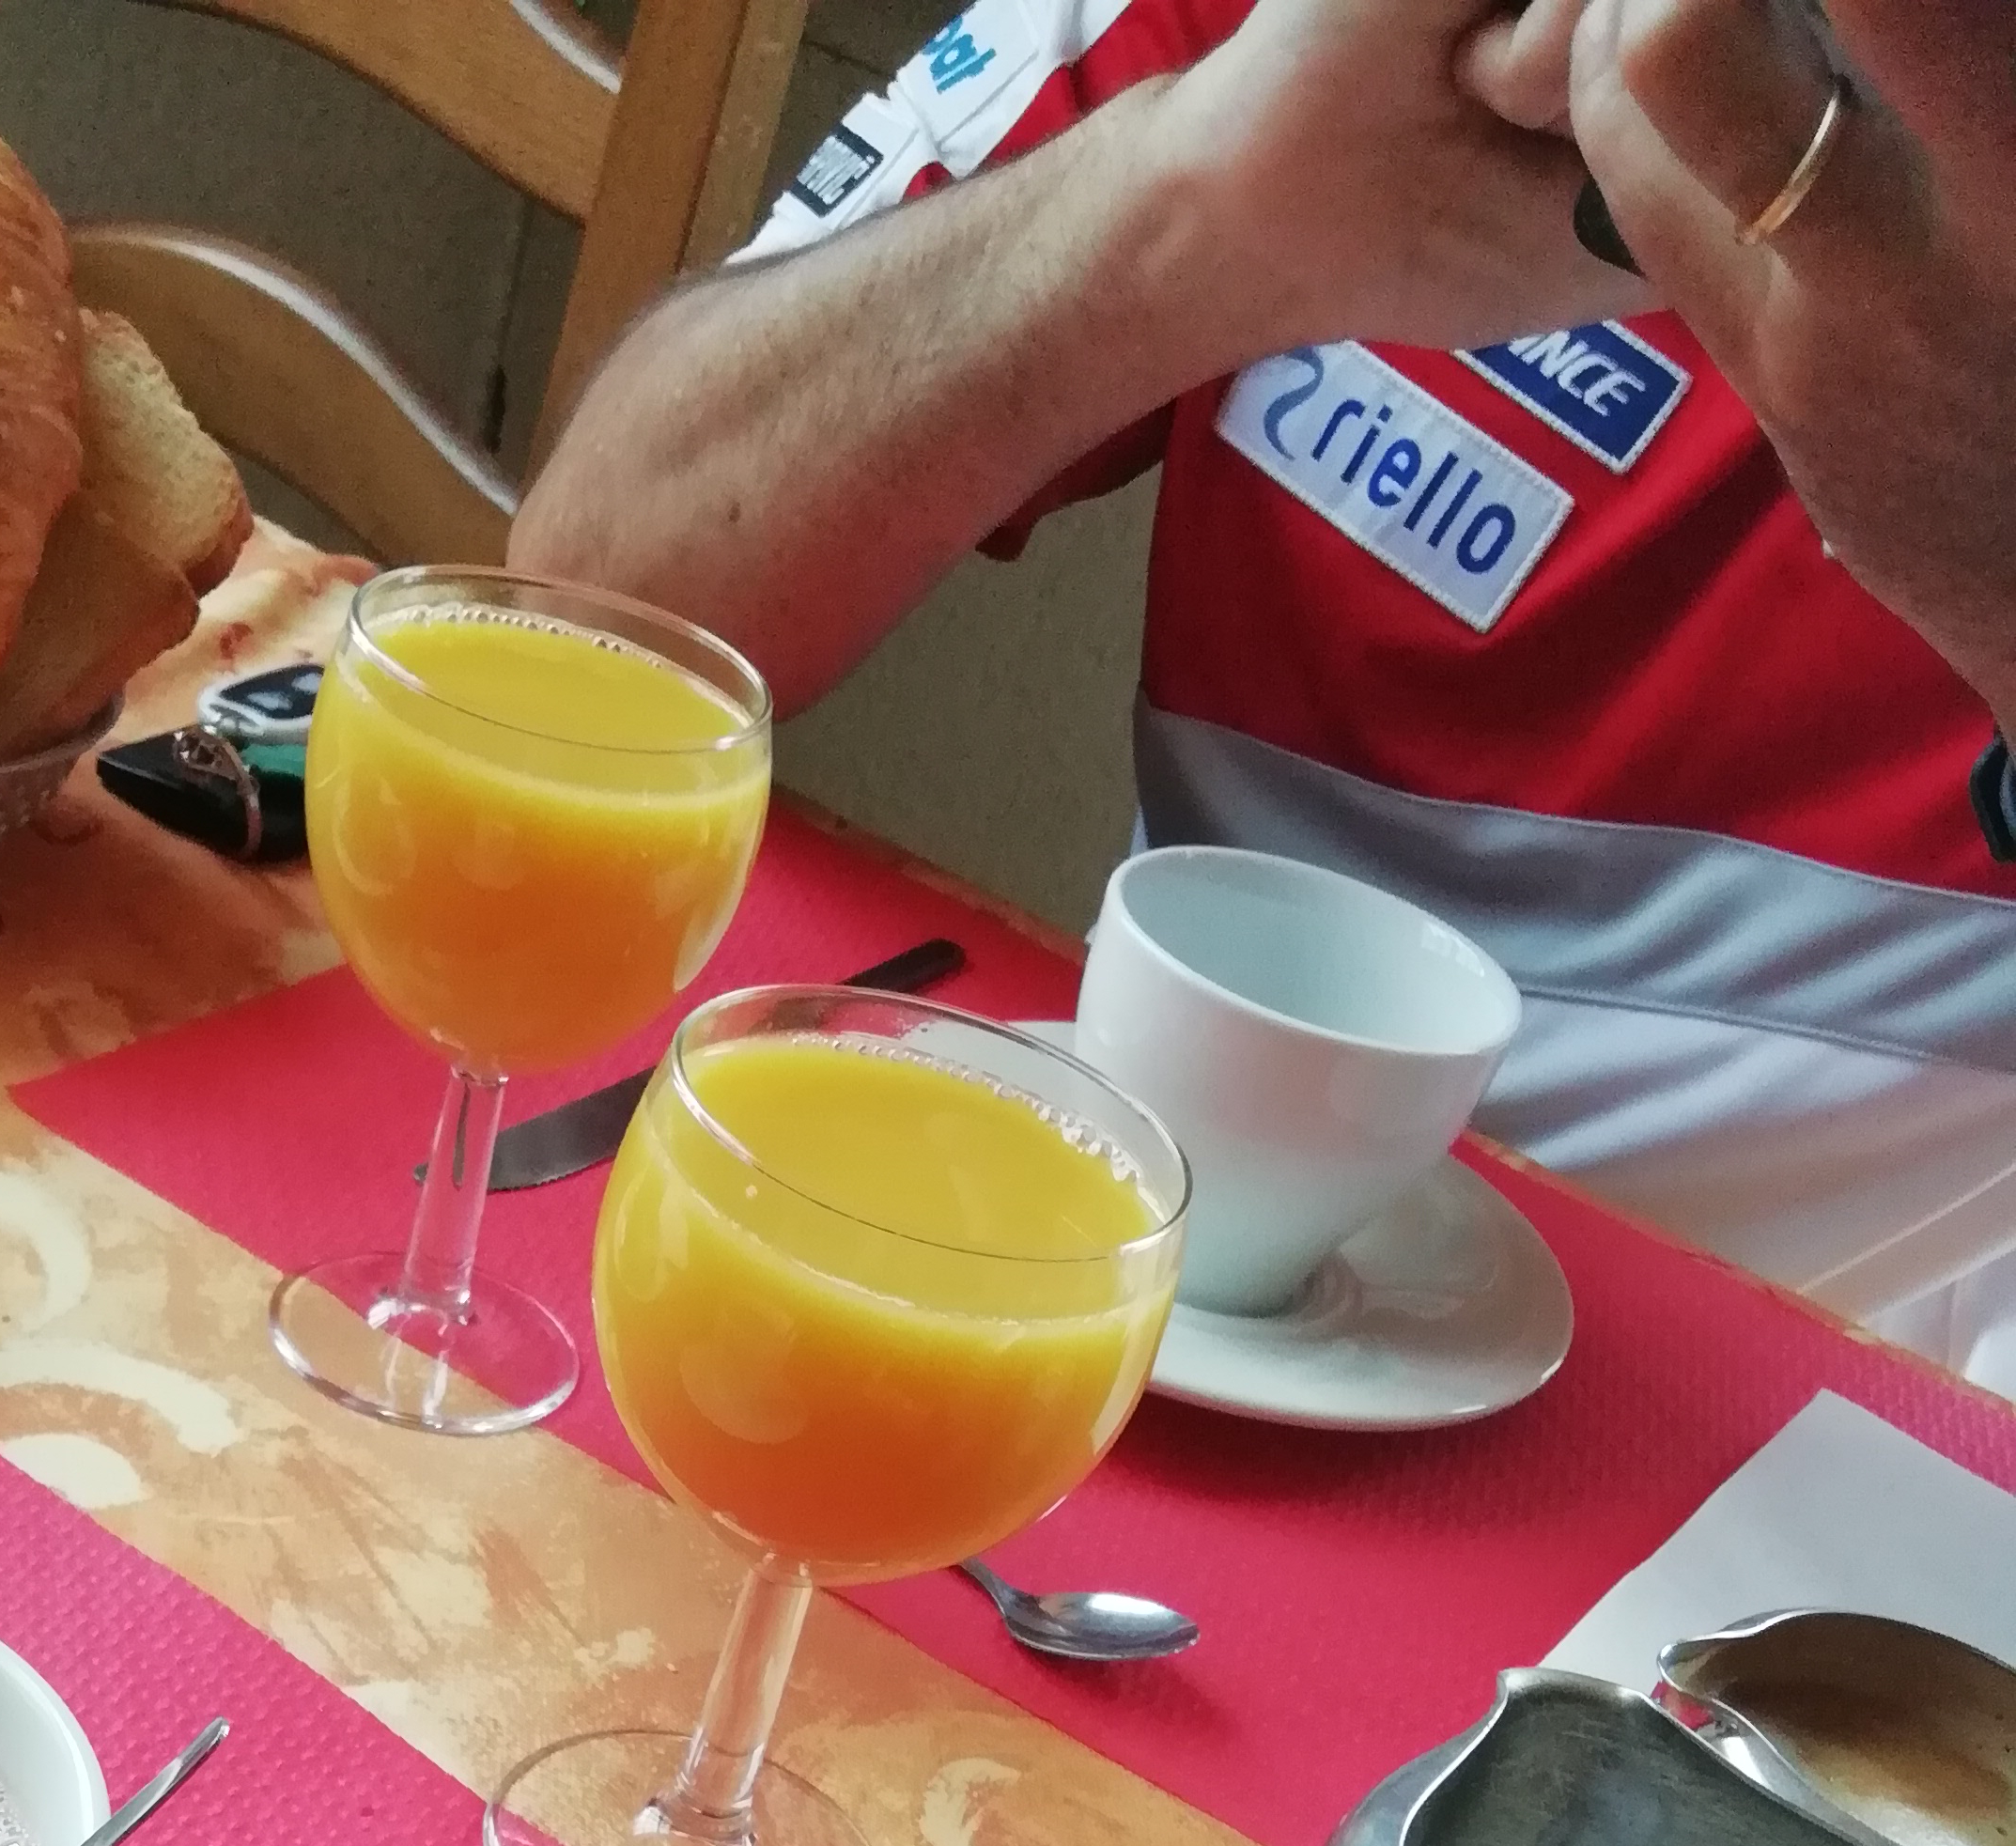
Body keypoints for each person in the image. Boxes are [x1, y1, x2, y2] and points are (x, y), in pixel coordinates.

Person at [512, 0, 2016, 1393]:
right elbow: (597, 600)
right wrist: (1190, 211)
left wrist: (1980, 554)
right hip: (1143, 1294)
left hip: (1818, 1444)